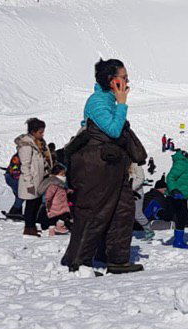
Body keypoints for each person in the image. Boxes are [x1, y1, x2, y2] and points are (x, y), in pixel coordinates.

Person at [61, 58, 144, 274]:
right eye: (123, 77)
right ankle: (78, 262)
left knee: (122, 210)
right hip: (96, 167)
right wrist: (123, 103)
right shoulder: (97, 101)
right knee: (95, 212)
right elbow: (113, 130)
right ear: (111, 80)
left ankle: (116, 258)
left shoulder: (108, 100)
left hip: (112, 166)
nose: (127, 81)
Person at [16, 118, 52, 236]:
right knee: (30, 206)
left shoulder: (39, 144)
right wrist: (29, 183)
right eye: (40, 132)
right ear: (33, 132)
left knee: (36, 204)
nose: (42, 134)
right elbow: (25, 166)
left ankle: (32, 227)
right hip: (31, 181)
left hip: (39, 180)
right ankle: (28, 228)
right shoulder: (26, 146)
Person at [164, 145, 188, 249]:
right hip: (174, 195)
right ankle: (157, 212)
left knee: (182, 218)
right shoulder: (182, 163)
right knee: (170, 216)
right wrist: (174, 190)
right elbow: (170, 177)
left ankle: (178, 241)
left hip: (182, 197)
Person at [40, 165, 71, 236]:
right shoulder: (54, 184)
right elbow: (49, 194)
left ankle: (52, 231)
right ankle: (59, 227)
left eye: (64, 174)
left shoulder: (60, 183)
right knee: (62, 215)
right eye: (62, 174)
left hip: (60, 204)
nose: (64, 176)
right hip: (55, 205)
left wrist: (68, 191)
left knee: (55, 218)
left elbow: (63, 191)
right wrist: (47, 202)